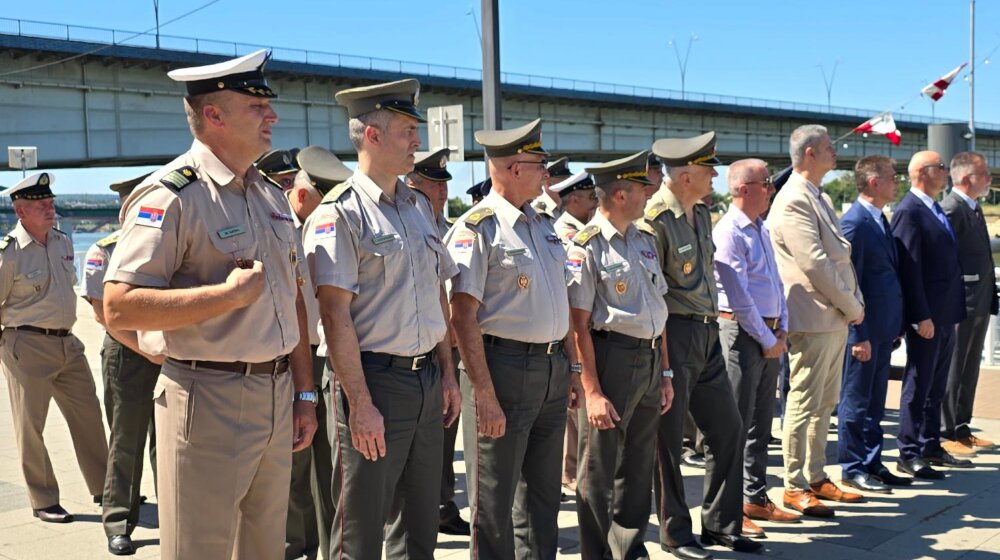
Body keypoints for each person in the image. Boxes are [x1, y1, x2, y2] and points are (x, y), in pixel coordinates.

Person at [102, 49, 319, 560]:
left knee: (265, 548)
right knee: (199, 549)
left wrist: (304, 394)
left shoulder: (267, 194)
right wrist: (223, 298)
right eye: (256, 106)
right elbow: (119, 306)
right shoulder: (172, 195)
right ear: (214, 116)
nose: (273, 116)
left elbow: (293, 301)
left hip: (277, 390)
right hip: (209, 398)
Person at [302, 78, 461, 559]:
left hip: (426, 379)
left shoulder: (416, 207)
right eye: (407, 130)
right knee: (361, 528)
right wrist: (360, 404)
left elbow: (436, 294)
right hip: (372, 380)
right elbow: (334, 315)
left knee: (419, 526)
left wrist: (449, 375)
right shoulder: (341, 214)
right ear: (372, 136)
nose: (418, 140)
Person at [445, 118, 583, 560]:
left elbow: (560, 303)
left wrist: (572, 370)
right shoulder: (477, 227)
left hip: (549, 368)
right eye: (536, 162)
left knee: (543, 499)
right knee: (494, 500)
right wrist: (482, 392)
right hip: (501, 368)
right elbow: (462, 315)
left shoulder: (543, 223)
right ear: (508, 168)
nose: (545, 170)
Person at [645, 131, 761, 559]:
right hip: (674, 333)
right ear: (686, 173)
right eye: (707, 168)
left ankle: (721, 524)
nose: (715, 174)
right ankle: (675, 531)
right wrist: (663, 363)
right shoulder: (655, 218)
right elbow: (653, 294)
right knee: (668, 440)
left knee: (727, 428)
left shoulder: (702, 213)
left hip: (708, 332)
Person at [568, 151, 673, 560]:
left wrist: (665, 372)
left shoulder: (643, 239)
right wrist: (591, 391)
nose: (649, 194)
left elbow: (658, 311)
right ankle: (596, 554)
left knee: (637, 465)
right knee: (598, 469)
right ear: (619, 194)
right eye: (642, 188)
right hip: (611, 359)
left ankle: (629, 549)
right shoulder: (587, 246)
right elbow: (578, 325)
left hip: (647, 361)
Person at [0, 172, 108, 525]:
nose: (51, 209)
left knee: (89, 416)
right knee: (31, 427)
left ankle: (106, 490)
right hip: (27, 345)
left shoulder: (62, 242)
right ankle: (43, 499)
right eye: (41, 205)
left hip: (68, 343)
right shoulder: (10, 253)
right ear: (20, 212)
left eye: (50, 203)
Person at [767, 125, 864, 517]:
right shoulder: (793, 199)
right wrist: (852, 304)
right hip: (813, 315)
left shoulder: (816, 194)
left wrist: (849, 304)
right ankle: (793, 485)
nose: (834, 153)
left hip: (831, 315)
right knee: (804, 403)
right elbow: (815, 263)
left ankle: (816, 474)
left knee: (825, 402)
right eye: (827, 148)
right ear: (808, 153)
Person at [712, 159, 800, 537]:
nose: (771, 189)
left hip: (768, 335)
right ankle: (731, 510)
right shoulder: (730, 230)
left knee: (761, 425)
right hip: (744, 335)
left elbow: (774, 285)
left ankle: (755, 497)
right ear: (743, 189)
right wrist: (767, 339)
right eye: (766, 183)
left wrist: (782, 328)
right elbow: (739, 296)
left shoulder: (759, 227)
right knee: (736, 425)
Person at [82, 172, 164, 555]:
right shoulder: (104, 250)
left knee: (167, 442)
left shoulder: (168, 245)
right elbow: (105, 316)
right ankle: (119, 521)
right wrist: (148, 350)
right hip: (127, 353)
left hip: (166, 352)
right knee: (126, 440)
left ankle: (175, 514)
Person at [282, 145, 351, 560]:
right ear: (305, 195)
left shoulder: (328, 224)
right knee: (293, 465)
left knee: (330, 466)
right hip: (290, 357)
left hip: (325, 354)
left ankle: (328, 548)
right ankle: (294, 546)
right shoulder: (277, 225)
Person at [401, 147, 473, 536]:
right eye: (434, 185)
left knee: (444, 439)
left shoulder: (446, 228)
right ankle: (422, 510)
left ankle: (442, 505)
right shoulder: (410, 223)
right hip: (419, 350)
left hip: (451, 350)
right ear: (413, 184)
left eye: (445, 185)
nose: (443, 193)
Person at [891, 151, 971, 479]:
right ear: (923, 173)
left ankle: (930, 443)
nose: (946, 172)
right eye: (941, 167)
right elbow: (909, 269)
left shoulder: (933, 206)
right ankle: (908, 451)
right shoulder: (908, 211)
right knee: (919, 381)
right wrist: (919, 315)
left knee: (937, 383)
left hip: (945, 312)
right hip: (927, 317)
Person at [836, 156, 911, 495]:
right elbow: (850, 283)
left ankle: (872, 461)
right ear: (873, 182)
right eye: (892, 178)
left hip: (883, 330)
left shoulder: (879, 219)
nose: (897, 183)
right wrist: (857, 334)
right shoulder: (854, 223)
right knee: (855, 402)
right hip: (864, 332)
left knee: (876, 401)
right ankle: (852, 468)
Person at [940, 151, 997, 455]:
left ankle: (962, 427)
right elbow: (944, 259)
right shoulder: (951, 208)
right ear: (965, 178)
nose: (989, 178)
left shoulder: (972, 208)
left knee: (970, 367)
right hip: (961, 301)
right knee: (954, 366)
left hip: (979, 300)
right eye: (983, 173)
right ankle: (946, 430)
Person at [552, 171, 598, 243]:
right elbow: (585, 247)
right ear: (575, 200)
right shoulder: (563, 229)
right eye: (592, 197)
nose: (597, 202)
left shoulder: (589, 221)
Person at [531, 156, 572, 221]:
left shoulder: (569, 207)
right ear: (549, 184)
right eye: (565, 181)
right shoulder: (535, 210)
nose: (570, 185)